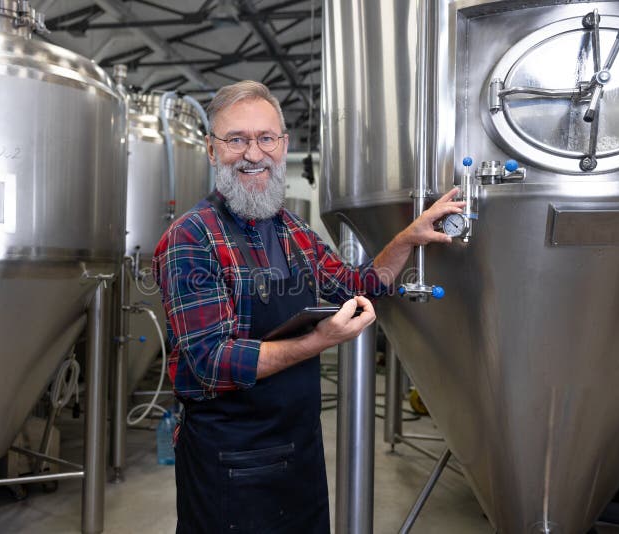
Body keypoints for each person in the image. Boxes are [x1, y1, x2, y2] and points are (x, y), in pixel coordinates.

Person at [152, 80, 463, 534]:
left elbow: (355, 284)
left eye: (265, 139)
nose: (253, 154)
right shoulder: (190, 238)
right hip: (229, 465)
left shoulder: (292, 229)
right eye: (236, 139)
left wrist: (407, 238)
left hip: (300, 454)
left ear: (283, 145)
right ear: (211, 150)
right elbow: (211, 361)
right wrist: (318, 341)